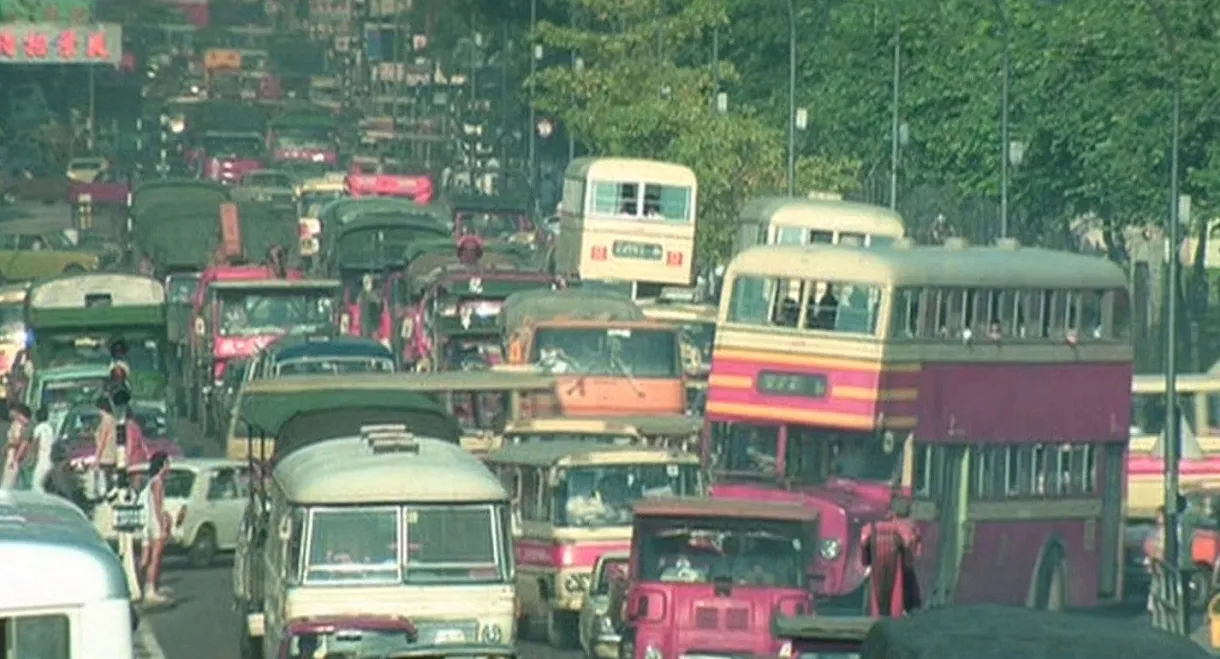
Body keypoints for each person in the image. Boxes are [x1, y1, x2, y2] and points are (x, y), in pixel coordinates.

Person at [139, 452, 173, 604]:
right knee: (155, 557)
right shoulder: (158, 482)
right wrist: (163, 525)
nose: (169, 466)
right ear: (162, 465)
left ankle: (143, 585)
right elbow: (158, 506)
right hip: (154, 523)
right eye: (167, 463)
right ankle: (150, 589)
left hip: (147, 522)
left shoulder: (151, 482)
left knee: (146, 557)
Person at [1, 404, 31, 489]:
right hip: (11, 453)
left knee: (9, 480)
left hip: (13, 454)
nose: (10, 413)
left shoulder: (21, 425)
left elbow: (22, 443)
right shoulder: (16, 423)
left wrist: (15, 459)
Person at [93, 396, 118, 496]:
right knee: (110, 479)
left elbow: (102, 440)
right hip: (113, 454)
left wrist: (97, 458)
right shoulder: (113, 419)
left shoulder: (105, 420)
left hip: (106, 456)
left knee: (106, 481)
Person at [29, 407, 54, 493]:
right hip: (50, 459)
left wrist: (32, 459)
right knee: (43, 483)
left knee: (36, 483)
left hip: (41, 459)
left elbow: (36, 443)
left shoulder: (38, 428)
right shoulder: (50, 428)